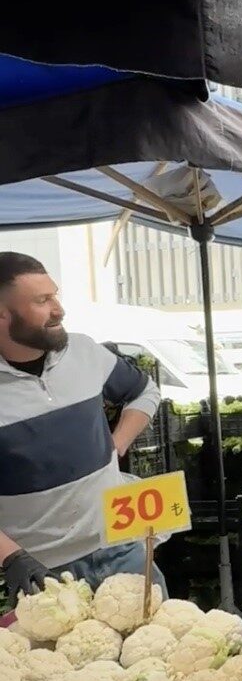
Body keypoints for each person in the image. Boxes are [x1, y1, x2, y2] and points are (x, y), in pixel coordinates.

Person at [0, 253, 165, 599]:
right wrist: (11, 557)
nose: (58, 309)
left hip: (123, 546)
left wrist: (116, 444)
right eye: (42, 301)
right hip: (41, 572)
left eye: (55, 295)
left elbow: (144, 392)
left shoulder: (84, 352)